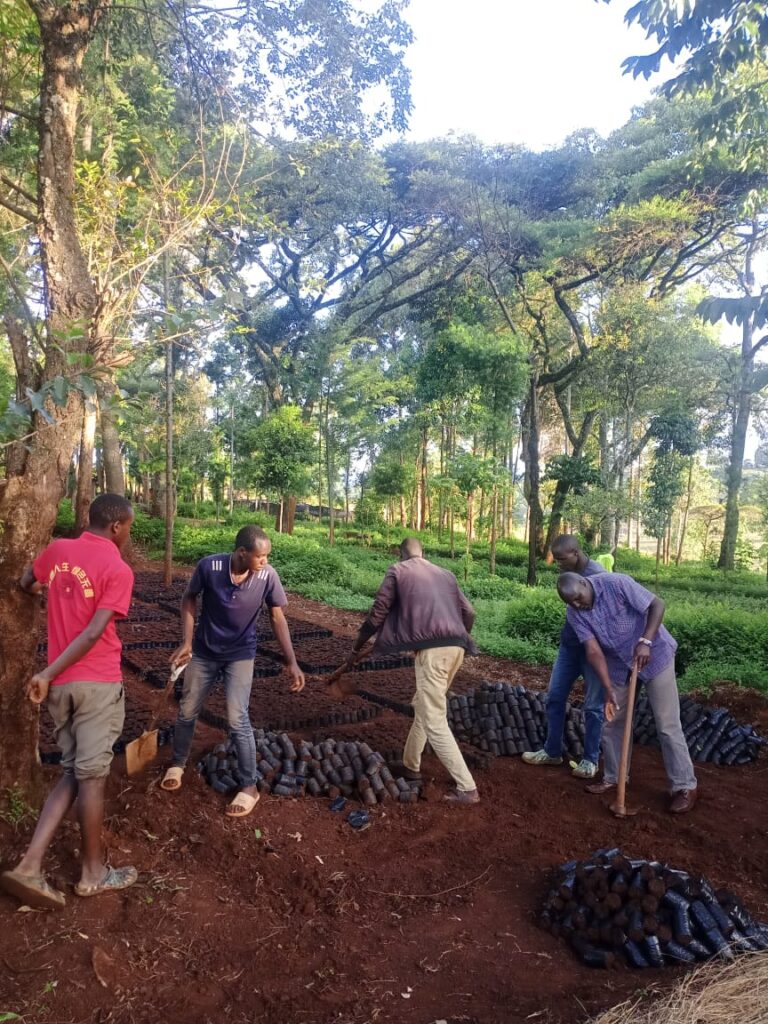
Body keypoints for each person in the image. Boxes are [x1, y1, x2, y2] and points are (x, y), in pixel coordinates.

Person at [1, 494, 137, 910]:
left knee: (73, 772)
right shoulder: (117, 568)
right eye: (128, 528)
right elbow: (95, 632)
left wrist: (47, 593)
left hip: (61, 688)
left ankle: (30, 865)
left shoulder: (59, 550)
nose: (128, 536)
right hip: (95, 683)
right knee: (92, 777)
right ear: (116, 526)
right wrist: (44, 673)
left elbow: (27, 582)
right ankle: (93, 875)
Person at [161, 525, 305, 817]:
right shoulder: (210, 567)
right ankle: (178, 762)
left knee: (238, 718)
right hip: (204, 651)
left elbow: (277, 617)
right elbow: (189, 598)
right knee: (187, 709)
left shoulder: (267, 576)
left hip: (240, 654)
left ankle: (249, 786)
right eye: (260, 556)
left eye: (267, 556)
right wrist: (187, 641)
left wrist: (291, 661)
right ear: (241, 553)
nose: (265, 561)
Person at [330, 537, 480, 805]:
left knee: (434, 719)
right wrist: (458, 637)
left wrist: (356, 648)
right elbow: (469, 612)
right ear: (423, 553)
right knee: (423, 707)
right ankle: (411, 766)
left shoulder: (397, 571)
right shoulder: (445, 573)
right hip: (456, 648)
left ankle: (467, 788)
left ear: (401, 554)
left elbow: (377, 615)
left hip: (433, 654)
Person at [557, 570, 698, 814]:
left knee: (666, 724)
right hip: (619, 666)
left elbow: (657, 604)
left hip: (655, 656)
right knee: (613, 721)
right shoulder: (574, 612)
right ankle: (614, 777)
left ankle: (684, 786)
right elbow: (593, 651)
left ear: (584, 582)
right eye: (572, 603)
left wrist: (646, 641)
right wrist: (608, 687)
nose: (578, 605)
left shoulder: (616, 584)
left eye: (579, 598)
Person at [522, 535, 608, 779]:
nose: (558, 564)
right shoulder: (568, 575)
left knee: (594, 706)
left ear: (576, 553)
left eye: (561, 559)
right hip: (570, 648)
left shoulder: (598, 576)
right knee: (555, 697)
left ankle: (590, 760)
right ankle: (552, 751)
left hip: (594, 651)